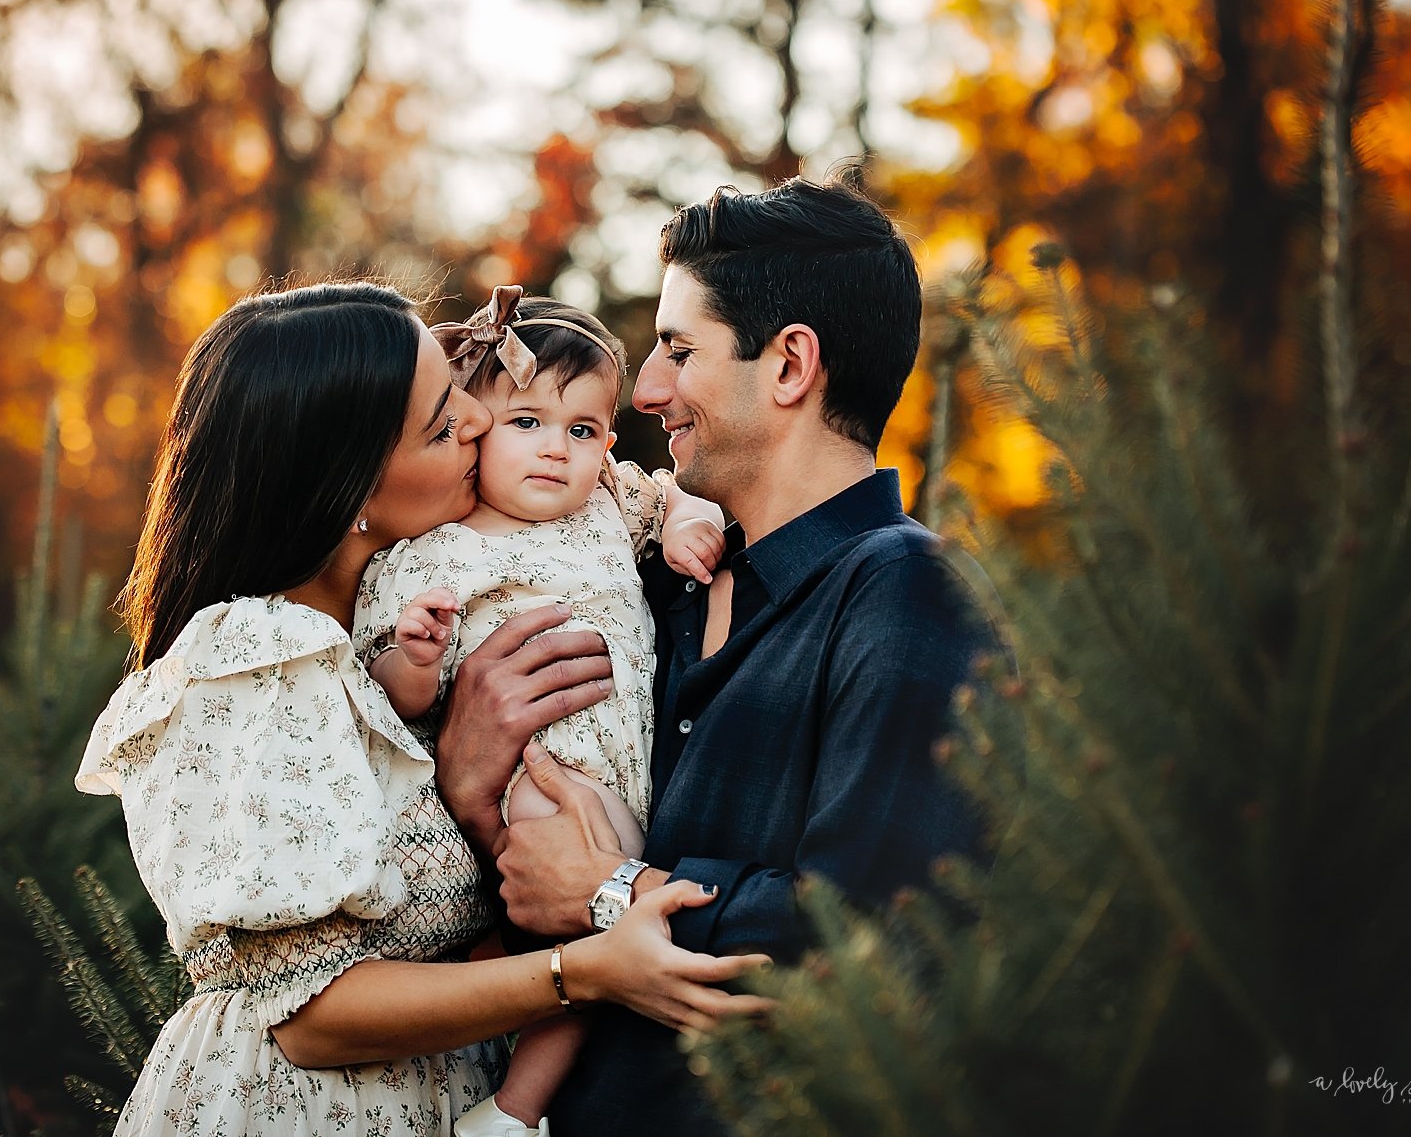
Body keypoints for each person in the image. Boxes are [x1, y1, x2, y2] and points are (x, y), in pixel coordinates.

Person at [74, 281, 770, 1137]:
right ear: (352, 485)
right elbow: (312, 1015)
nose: (482, 423)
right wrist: (583, 971)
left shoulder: (404, 634)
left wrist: (472, 782)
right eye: (445, 422)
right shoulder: (256, 657)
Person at [433, 179, 998, 1136]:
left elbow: (885, 942)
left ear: (789, 365)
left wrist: (611, 892)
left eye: (679, 349)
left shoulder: (905, 592)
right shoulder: (654, 580)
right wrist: (466, 771)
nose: (646, 390)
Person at [354, 288, 727, 1136]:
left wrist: (685, 529)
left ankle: (506, 1073)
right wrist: (414, 655)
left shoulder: (609, 507)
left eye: (584, 430)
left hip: (627, 770)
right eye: (526, 422)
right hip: (537, 775)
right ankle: (517, 1111)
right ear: (473, 432)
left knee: (543, 934)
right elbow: (391, 689)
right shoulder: (435, 553)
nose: (557, 451)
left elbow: (686, 496)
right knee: (587, 930)